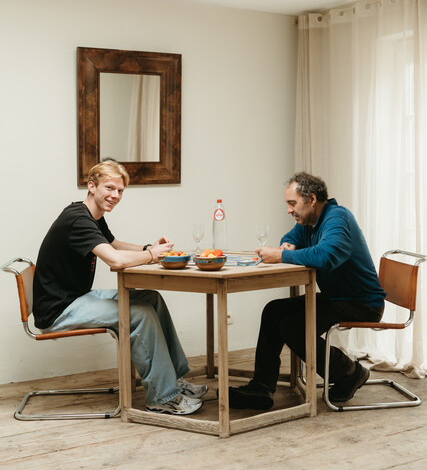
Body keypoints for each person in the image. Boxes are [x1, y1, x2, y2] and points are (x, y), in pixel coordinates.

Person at [33, 160, 208, 415]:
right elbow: (114, 259)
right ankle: (162, 397)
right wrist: (153, 256)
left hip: (75, 298)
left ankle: (174, 381)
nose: (115, 195)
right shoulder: (77, 219)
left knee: (151, 299)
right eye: (109, 188)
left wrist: (148, 248)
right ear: (92, 186)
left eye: (120, 191)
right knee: (139, 313)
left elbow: (114, 245)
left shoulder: (91, 215)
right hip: (58, 309)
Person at [228, 171, 385, 410]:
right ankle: (261, 388)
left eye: (293, 203)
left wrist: (282, 254)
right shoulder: (309, 222)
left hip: (362, 302)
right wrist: (287, 245)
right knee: (274, 311)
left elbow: (326, 256)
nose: (289, 210)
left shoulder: (337, 218)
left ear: (311, 199)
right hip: (337, 297)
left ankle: (350, 372)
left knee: (293, 327)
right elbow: (290, 237)